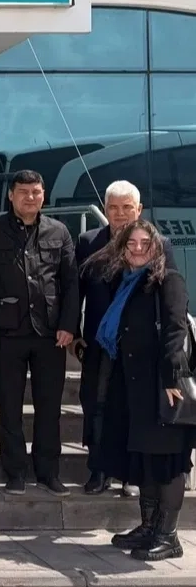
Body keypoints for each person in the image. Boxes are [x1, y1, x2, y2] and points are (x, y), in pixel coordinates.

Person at [84, 221, 192, 562]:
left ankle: (168, 535)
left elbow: (175, 329)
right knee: (145, 458)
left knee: (168, 460)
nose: (138, 249)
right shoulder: (129, 281)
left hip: (162, 387)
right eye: (131, 243)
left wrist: (172, 378)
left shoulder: (168, 280)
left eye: (145, 243)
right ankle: (149, 526)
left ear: (157, 246)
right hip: (134, 387)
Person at [0, 170, 78, 497]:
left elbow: (71, 282)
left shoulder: (59, 231)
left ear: (43, 195)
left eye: (36, 192)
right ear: (11, 195)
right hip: (8, 333)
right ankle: (15, 472)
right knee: (9, 406)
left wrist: (68, 325)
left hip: (50, 334)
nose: (30, 197)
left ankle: (48, 472)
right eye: (23, 191)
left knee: (49, 407)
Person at [77, 180, 175, 497]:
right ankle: (99, 470)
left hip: (141, 348)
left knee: (133, 408)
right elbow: (75, 291)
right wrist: (73, 331)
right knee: (97, 404)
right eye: (113, 208)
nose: (120, 214)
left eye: (127, 207)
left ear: (139, 209)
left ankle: (130, 475)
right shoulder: (88, 242)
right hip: (101, 343)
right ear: (105, 210)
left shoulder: (158, 244)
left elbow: (170, 296)